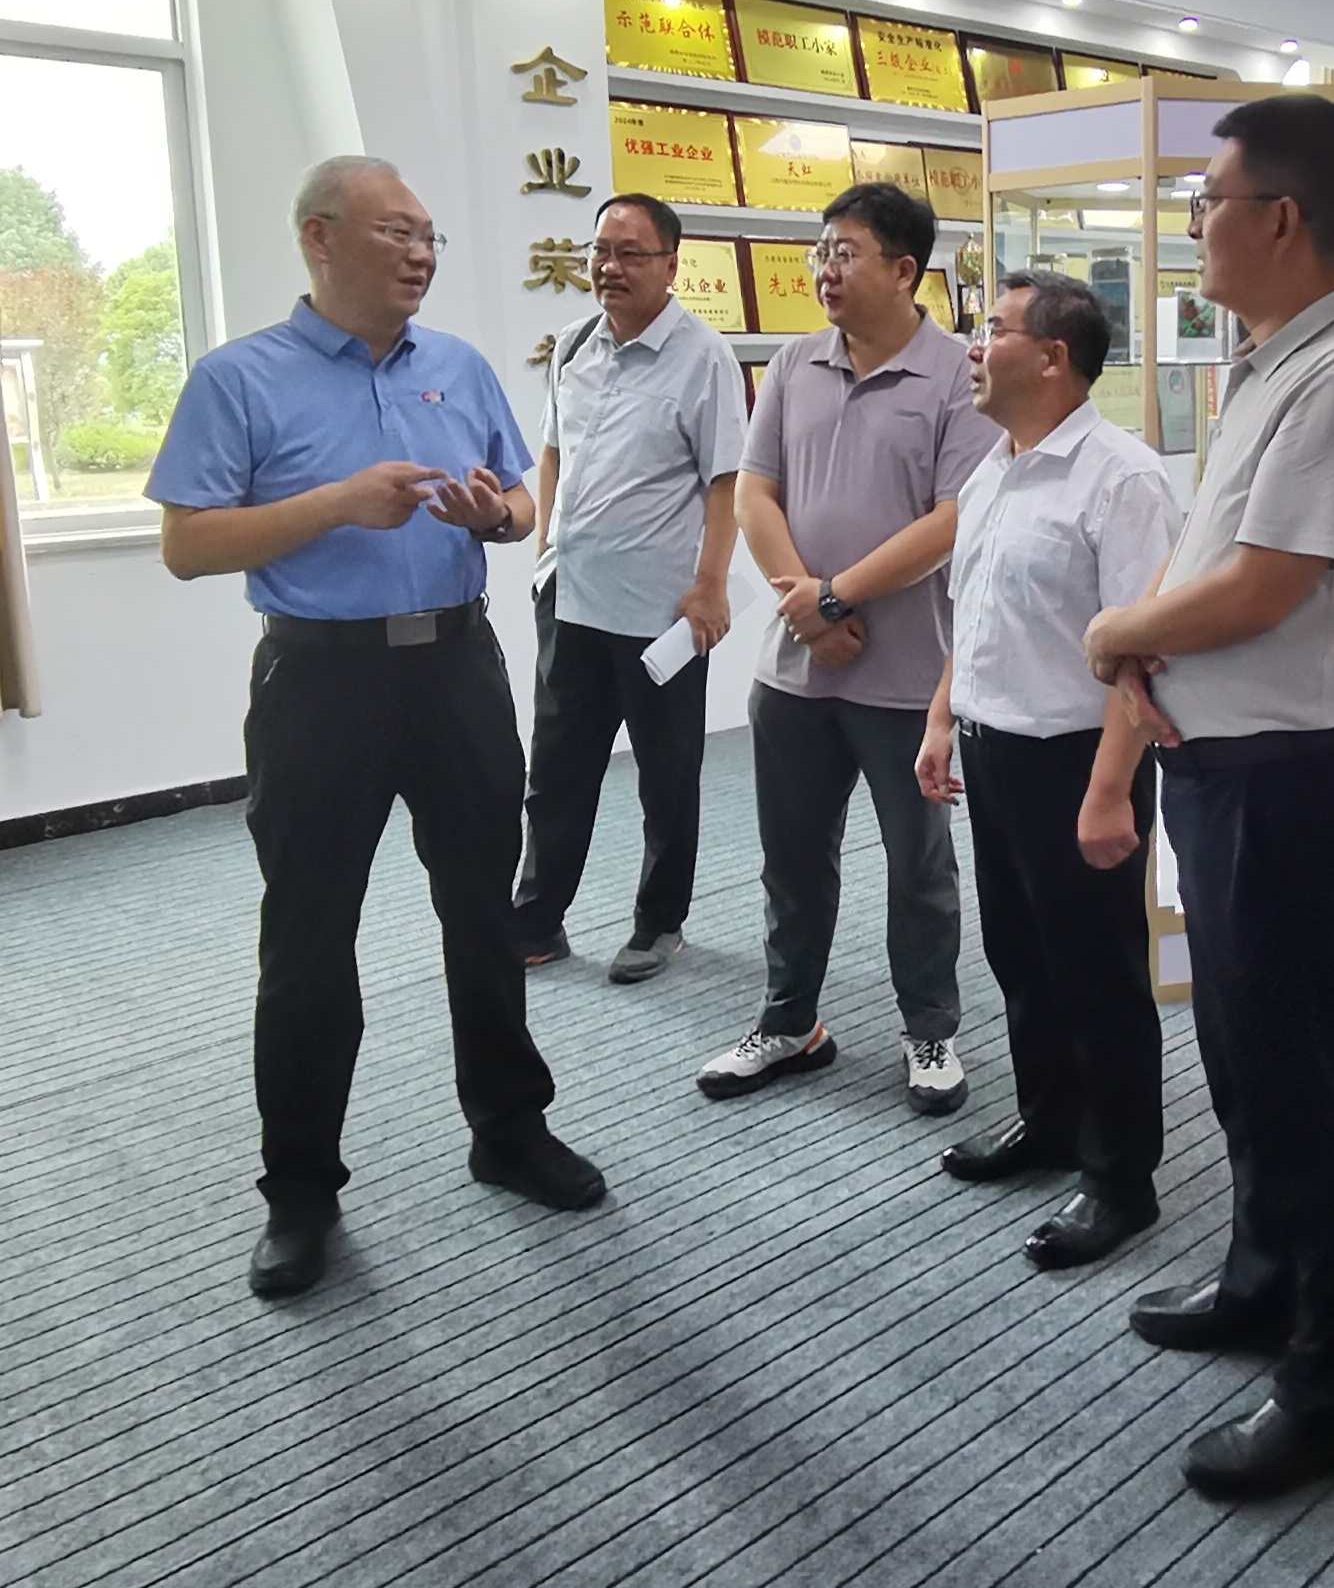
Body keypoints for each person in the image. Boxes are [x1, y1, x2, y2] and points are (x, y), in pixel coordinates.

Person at [147, 155, 606, 1302]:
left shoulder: (457, 366)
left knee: (485, 915)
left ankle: (509, 1129)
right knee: (309, 938)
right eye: (396, 232)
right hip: (320, 681)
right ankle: (301, 1190)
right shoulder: (238, 378)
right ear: (319, 237)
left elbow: (523, 500)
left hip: (456, 667)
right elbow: (189, 544)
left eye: (429, 235)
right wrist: (335, 505)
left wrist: (494, 515)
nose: (420, 254)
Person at [1085, 92, 1334, 1502]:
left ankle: (1332, 1394)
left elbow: (1269, 585)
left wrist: (1118, 632)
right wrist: (1146, 647)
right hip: (1227, 771)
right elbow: (1218, 559)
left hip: (1287, 782)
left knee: (1306, 1088)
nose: (1193, 224)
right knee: (1241, 1062)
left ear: (1281, 217)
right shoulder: (1274, 363)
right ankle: (1261, 1280)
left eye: (1209, 200)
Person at [695, 181, 999, 1116]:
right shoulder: (795, 363)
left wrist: (835, 596)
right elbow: (756, 493)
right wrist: (809, 613)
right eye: (820, 251)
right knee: (791, 859)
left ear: (905, 271)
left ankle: (930, 1030)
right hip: (796, 672)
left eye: (846, 252)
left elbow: (954, 519)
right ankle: (790, 1022)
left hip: (908, 678)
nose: (825, 269)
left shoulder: (957, 376)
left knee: (919, 867)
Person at [918, 270, 1180, 1270]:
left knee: (1099, 973)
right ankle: (1050, 1122)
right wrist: (942, 719)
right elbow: (977, 614)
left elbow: (1142, 654)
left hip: (1078, 762)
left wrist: (1111, 790)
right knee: (1021, 957)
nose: (975, 347)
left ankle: (1120, 1178)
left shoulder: (1122, 480)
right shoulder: (993, 470)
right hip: (994, 753)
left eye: (994, 329)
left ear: (1053, 357)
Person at [510, 191, 744, 983]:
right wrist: (544, 550)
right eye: (600, 251)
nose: (609, 267)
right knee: (556, 771)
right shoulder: (575, 345)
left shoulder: (704, 359)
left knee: (665, 775)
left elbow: (725, 482)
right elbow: (553, 452)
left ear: (671, 266)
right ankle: (537, 919)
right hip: (570, 598)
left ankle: (659, 923)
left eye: (630, 254)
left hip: (658, 610)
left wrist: (711, 587)